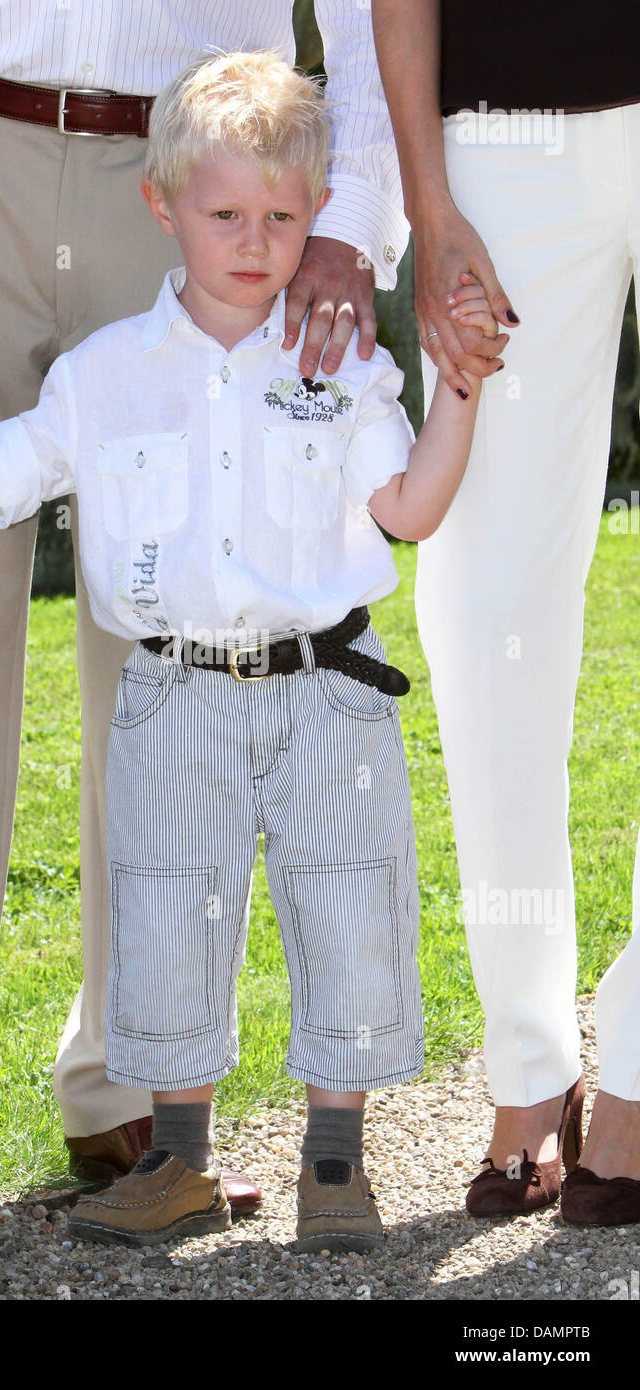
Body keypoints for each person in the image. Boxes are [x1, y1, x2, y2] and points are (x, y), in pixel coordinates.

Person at [0, 50, 493, 1249]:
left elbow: (405, 509)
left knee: (344, 913)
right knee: (166, 906)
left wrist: (457, 386)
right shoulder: (106, 378)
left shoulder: (338, 362)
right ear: (165, 210)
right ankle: (171, 1163)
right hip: (174, 694)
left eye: (283, 218)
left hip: (326, 695)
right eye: (228, 215)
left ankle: (333, 1164)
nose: (256, 243)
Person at [372, 0, 640, 1223]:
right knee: (485, 610)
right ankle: (530, 1060)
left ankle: (638, 1050)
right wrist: (427, 203)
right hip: (497, 137)